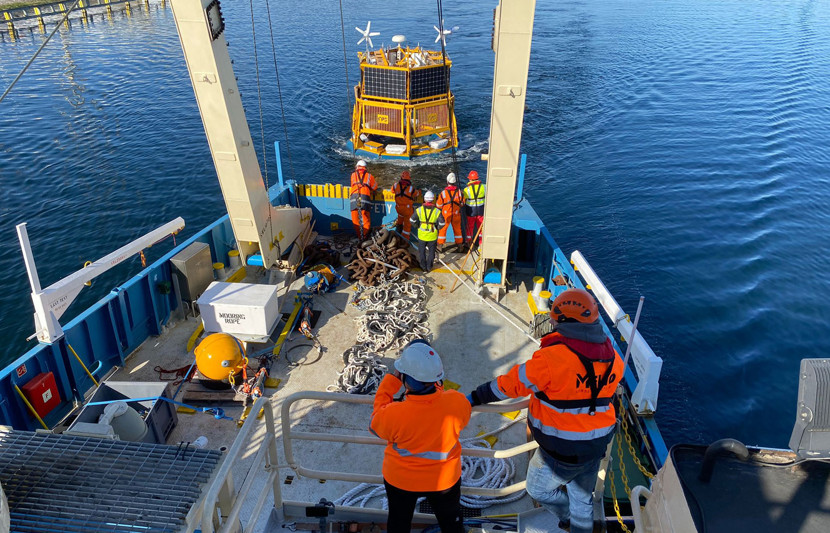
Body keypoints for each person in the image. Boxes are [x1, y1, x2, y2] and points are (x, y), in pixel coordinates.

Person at [466, 288, 623, 533]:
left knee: (538, 489)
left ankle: (567, 516)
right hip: (597, 444)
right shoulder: (614, 357)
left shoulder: (551, 359)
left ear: (562, 320)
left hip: (562, 450)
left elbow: (509, 385)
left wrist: (473, 398)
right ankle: (580, 527)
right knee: (582, 496)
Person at [370, 340, 471, 533]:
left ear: (405, 378)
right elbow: (449, 410)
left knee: (399, 523)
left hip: (401, 481)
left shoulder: (394, 413)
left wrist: (390, 383)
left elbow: (375, 425)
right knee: (451, 523)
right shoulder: (457, 402)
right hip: (444, 481)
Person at [410, 191, 445, 272]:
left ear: (424, 199)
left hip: (422, 235)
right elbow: (442, 223)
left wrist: (417, 226)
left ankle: (423, 266)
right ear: (433, 200)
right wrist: (437, 227)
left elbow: (412, 220)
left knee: (421, 252)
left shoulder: (419, 210)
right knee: (431, 252)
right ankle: (429, 267)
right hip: (432, 235)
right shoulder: (437, 211)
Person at [349, 160, 377, 240]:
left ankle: (359, 236)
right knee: (365, 218)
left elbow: (352, 185)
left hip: (354, 197)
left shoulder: (353, 175)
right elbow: (374, 187)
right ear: (365, 168)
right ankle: (365, 235)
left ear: (357, 167)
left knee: (355, 219)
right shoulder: (369, 176)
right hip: (365, 197)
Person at [436, 172, 465, 250]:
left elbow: (438, 205)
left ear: (447, 182)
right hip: (456, 214)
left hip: (446, 215)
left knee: (443, 229)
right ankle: (459, 245)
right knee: (457, 230)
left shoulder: (443, 193)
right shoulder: (460, 193)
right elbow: (462, 203)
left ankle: (440, 246)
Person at [391, 170, 421, 240]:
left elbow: (392, 191)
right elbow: (417, 194)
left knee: (400, 219)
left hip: (398, 209)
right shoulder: (411, 188)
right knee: (407, 227)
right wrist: (419, 191)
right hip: (407, 210)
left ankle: (398, 229)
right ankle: (404, 240)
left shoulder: (395, 185)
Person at [462, 170, 486, 247]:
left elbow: (462, 200)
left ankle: (469, 243)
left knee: (470, 227)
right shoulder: (484, 187)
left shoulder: (466, 190)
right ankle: (481, 244)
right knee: (481, 228)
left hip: (471, 211)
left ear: (470, 179)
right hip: (481, 210)